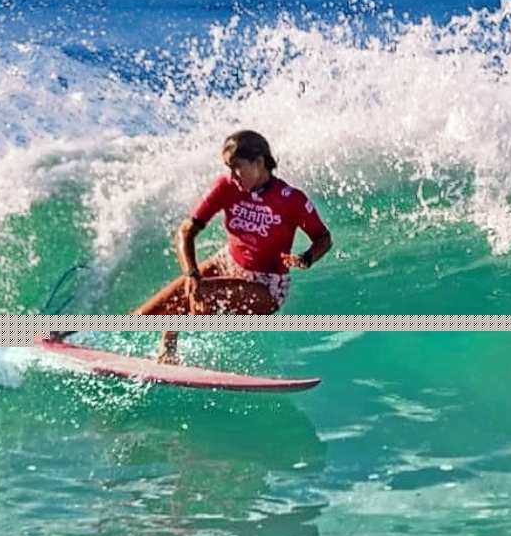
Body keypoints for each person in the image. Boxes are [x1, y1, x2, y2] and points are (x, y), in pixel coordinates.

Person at [48, 131, 332, 364]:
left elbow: (323, 238)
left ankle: (167, 349)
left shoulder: (290, 199)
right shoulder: (226, 187)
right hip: (228, 262)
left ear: (259, 162)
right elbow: (186, 231)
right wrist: (191, 273)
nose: (232, 175)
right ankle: (72, 334)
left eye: (238, 167)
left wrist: (307, 258)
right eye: (228, 168)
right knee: (144, 315)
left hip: (266, 286)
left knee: (195, 299)